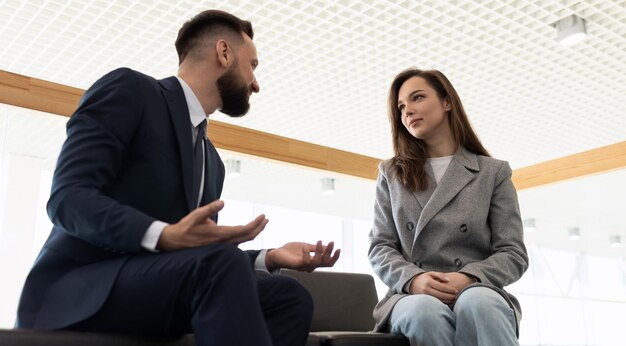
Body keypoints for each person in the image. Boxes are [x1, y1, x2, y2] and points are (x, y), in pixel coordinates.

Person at [16, 9, 340, 346]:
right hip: (85, 287)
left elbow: (194, 250)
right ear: (224, 52)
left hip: (155, 287)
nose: (255, 83)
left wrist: (267, 257)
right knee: (221, 264)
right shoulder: (130, 89)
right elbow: (68, 199)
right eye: (252, 65)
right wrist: (163, 235)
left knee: (288, 296)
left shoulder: (213, 162)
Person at [368, 68, 529, 346]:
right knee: (424, 311)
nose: (408, 111)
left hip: (477, 288)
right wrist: (413, 280)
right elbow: (380, 247)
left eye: (417, 98)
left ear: (447, 102)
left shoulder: (493, 172)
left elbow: (513, 253)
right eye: (401, 107)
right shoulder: (391, 173)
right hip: (409, 294)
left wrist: (469, 278)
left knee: (478, 302)